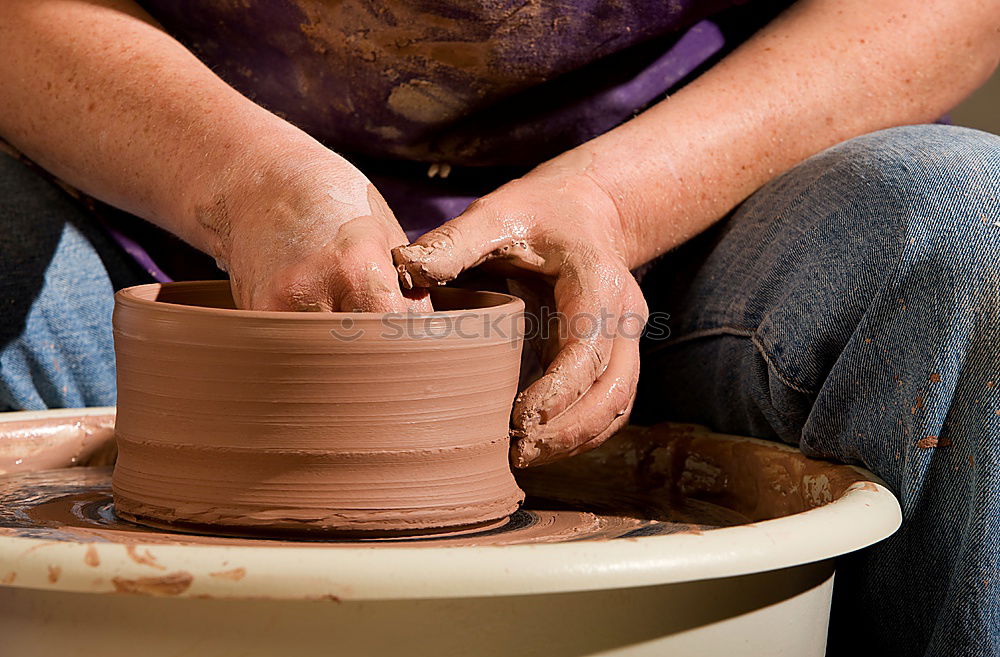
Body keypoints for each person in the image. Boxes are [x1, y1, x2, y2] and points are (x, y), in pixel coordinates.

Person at [1, 1, 998, 654]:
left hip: (684, 202)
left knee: (962, 221)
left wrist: (618, 203)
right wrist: (239, 182)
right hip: (172, 226)